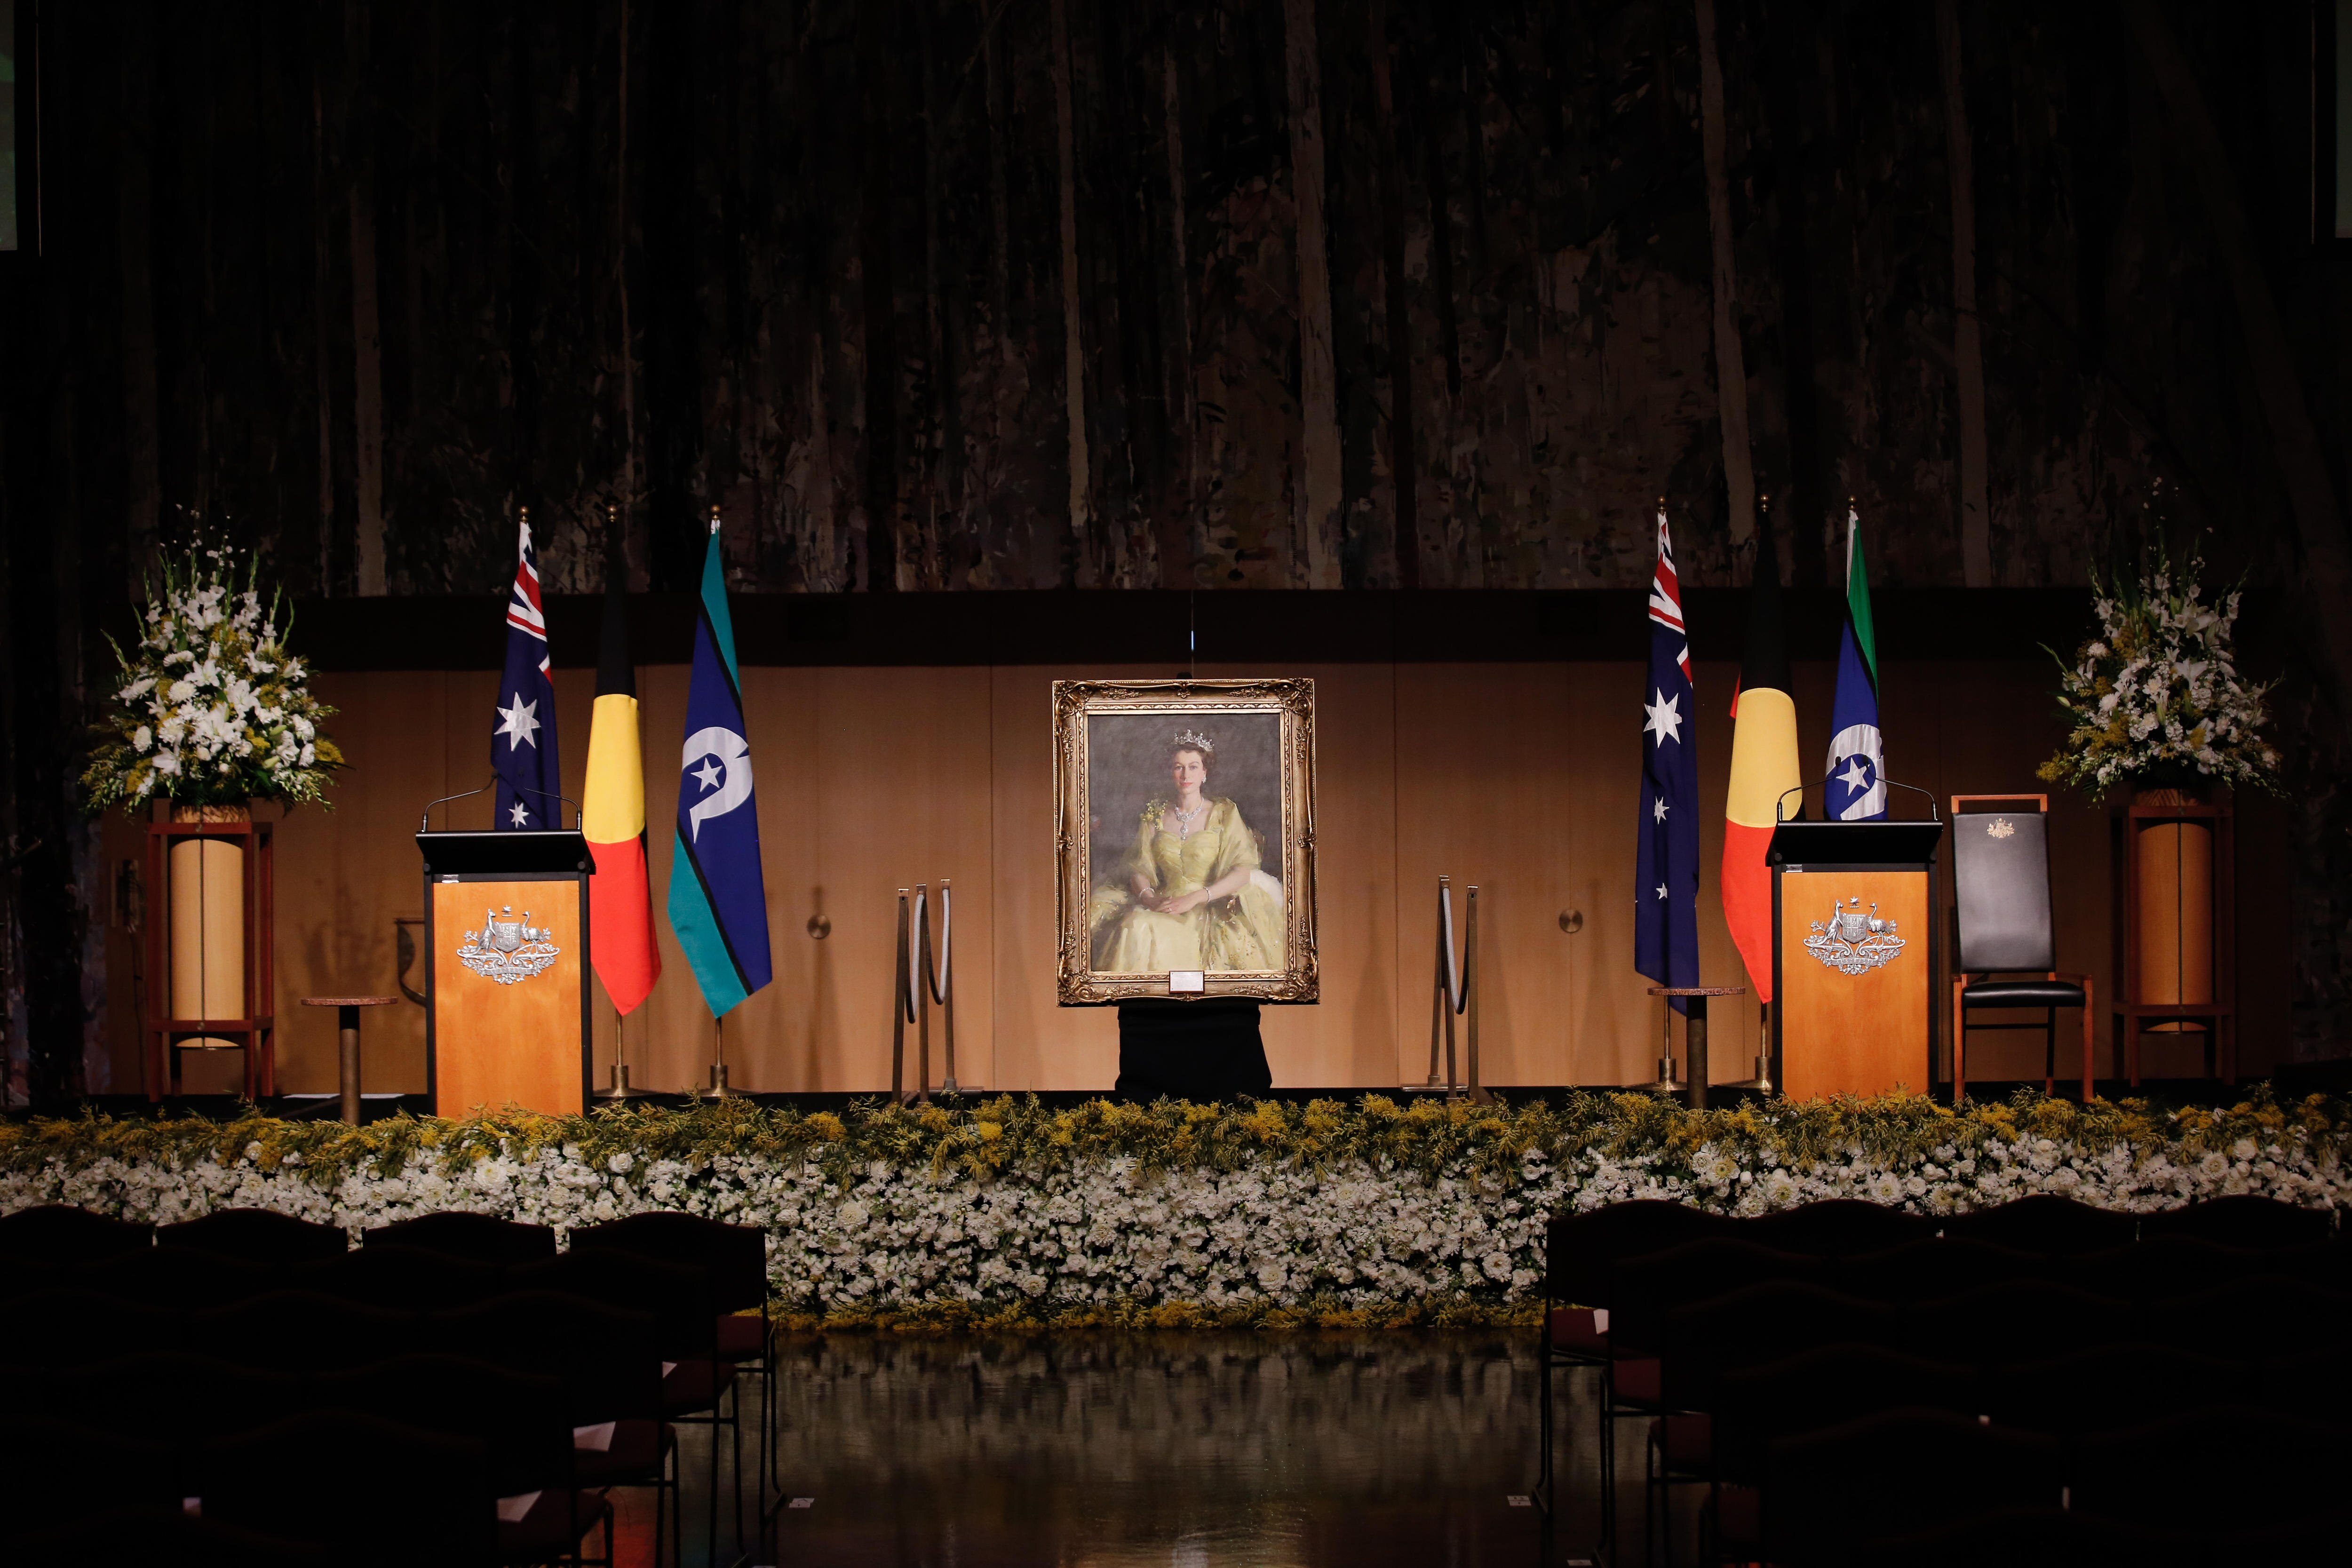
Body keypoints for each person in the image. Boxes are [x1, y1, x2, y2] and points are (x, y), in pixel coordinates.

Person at [1089, 730, 1284, 972]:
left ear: (1204, 773)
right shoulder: (1156, 815)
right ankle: (1146, 1000)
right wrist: (1150, 898)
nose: (1185, 775)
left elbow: (1242, 872)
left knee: (1144, 928)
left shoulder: (1223, 813)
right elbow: (1140, 867)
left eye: (1193, 767)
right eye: (1178, 767)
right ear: (1171, 772)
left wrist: (1195, 898)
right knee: (1135, 923)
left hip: (1208, 907)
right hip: (1165, 904)